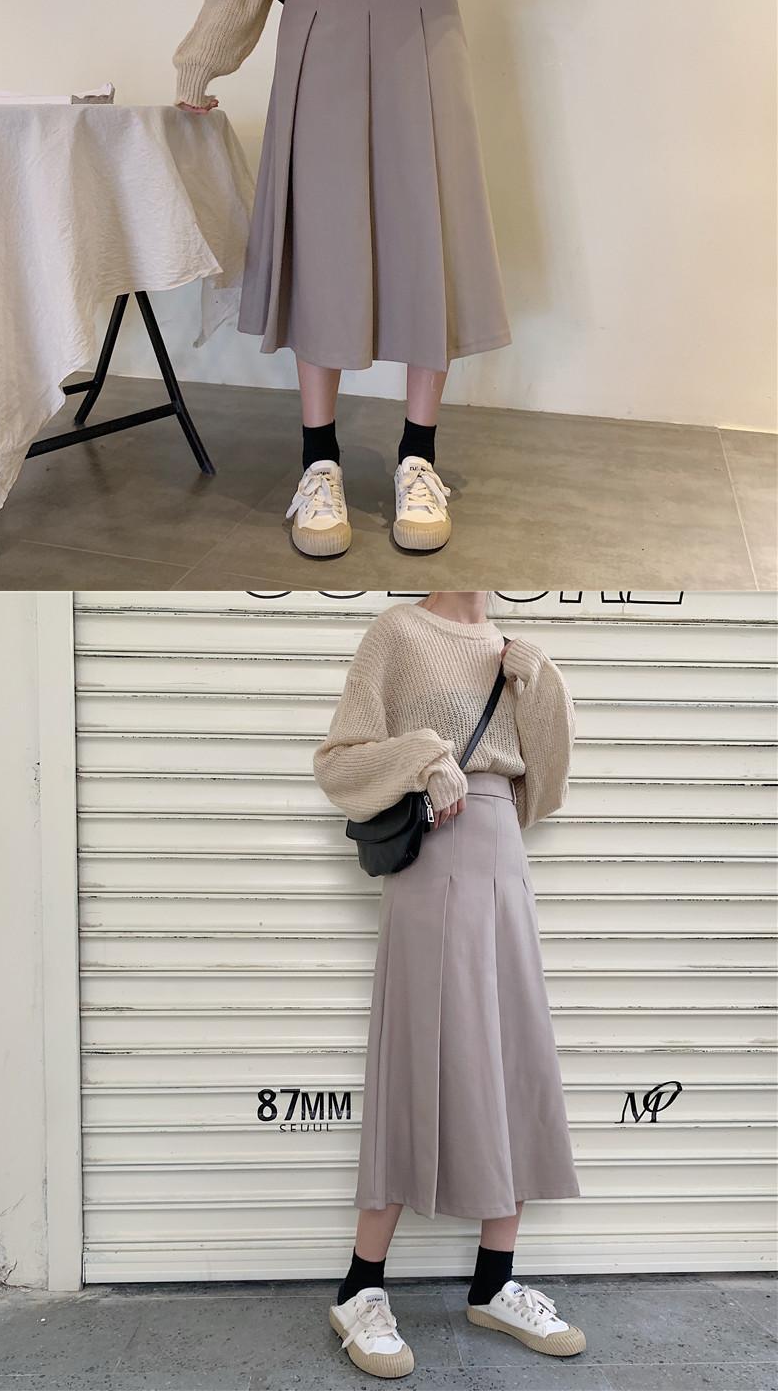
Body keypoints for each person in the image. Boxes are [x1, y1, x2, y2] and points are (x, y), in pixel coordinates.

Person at [175, 0, 540, 554]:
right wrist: (206, 53)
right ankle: (319, 462)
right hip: (319, 0)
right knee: (324, 228)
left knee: (425, 219)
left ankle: (418, 456)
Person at [314, 587, 586, 1371]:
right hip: (431, 861)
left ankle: (495, 1283)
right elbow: (339, 762)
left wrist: (544, 686)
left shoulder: (513, 652)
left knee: (515, 1059)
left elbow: (546, 788)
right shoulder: (397, 632)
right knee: (416, 1061)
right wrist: (424, 759)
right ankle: (361, 1288)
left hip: (503, 856)